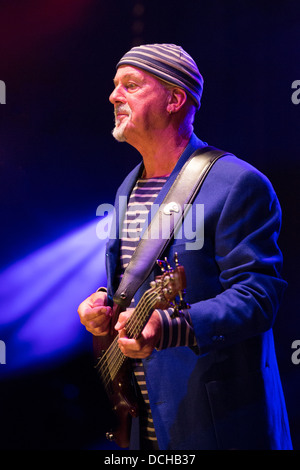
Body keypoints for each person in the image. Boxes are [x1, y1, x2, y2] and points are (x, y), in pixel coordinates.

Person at [78, 43, 293, 450]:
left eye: (131, 85)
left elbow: (259, 296)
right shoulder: (130, 185)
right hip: (144, 418)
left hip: (212, 419)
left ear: (175, 98)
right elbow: (138, 279)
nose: (113, 96)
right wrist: (106, 304)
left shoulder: (236, 183)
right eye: (114, 85)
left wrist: (172, 326)